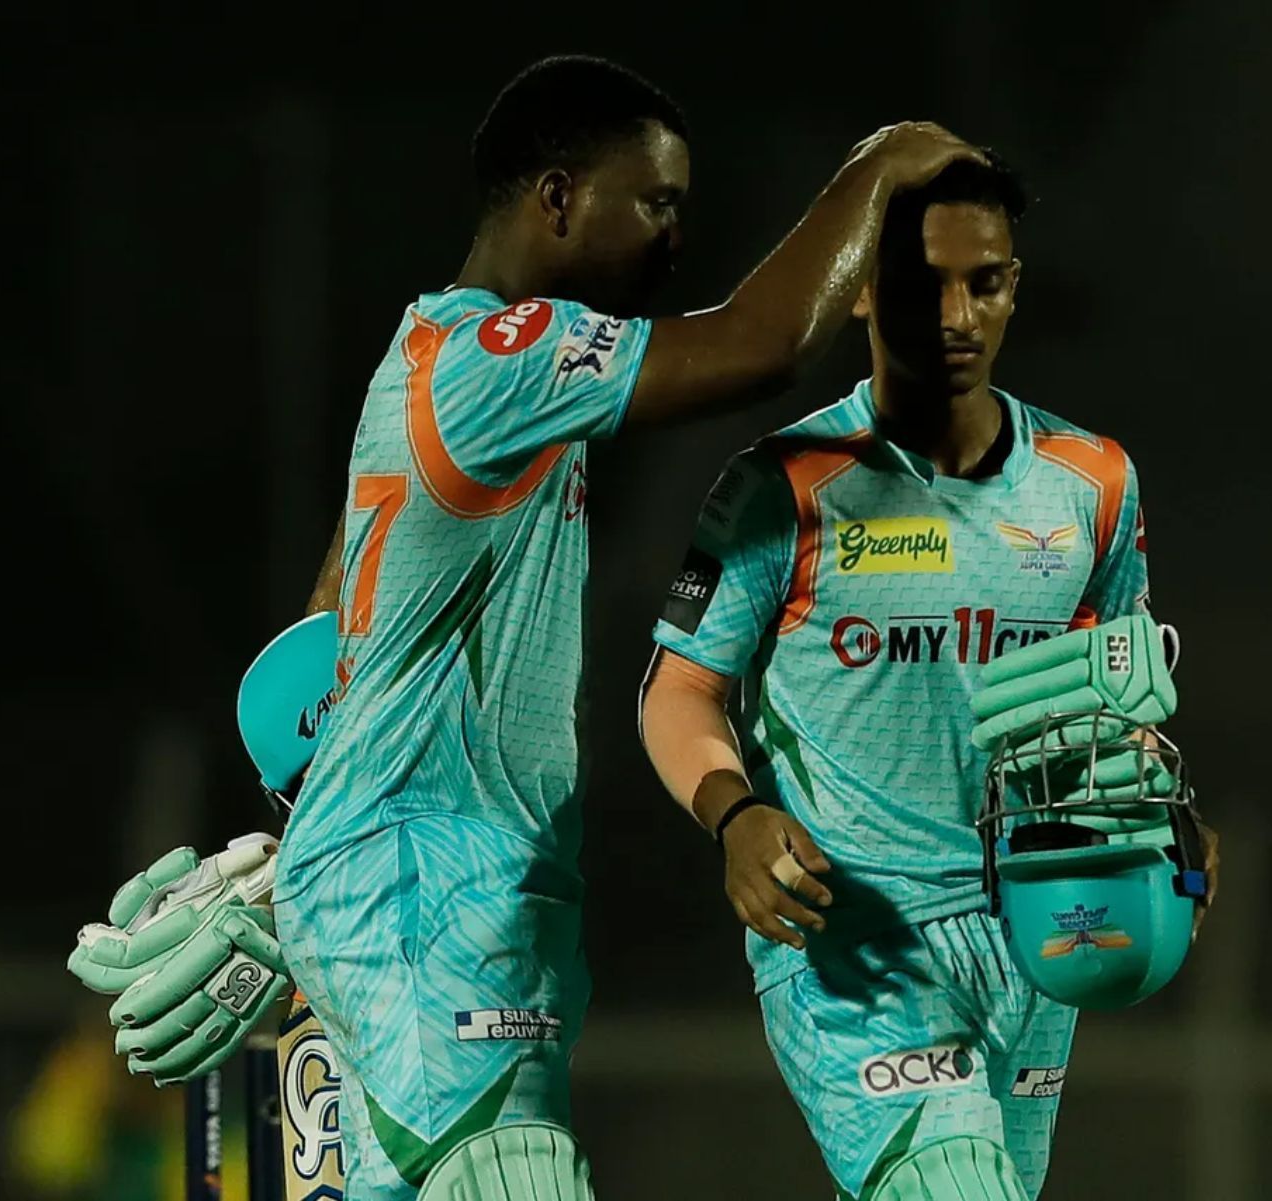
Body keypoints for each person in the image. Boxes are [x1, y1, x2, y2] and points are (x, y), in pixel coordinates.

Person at [72, 53, 985, 1201]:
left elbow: (336, 612)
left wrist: (301, 853)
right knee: (516, 1175)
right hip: (440, 905)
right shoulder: (508, 357)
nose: (673, 240)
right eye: (653, 203)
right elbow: (760, 340)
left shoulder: (429, 361)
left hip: (425, 898)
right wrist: (887, 162)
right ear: (557, 200)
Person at [639, 154, 1207, 1201]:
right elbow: (675, 689)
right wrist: (736, 816)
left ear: (1014, 285)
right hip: (853, 938)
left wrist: (1159, 820)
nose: (957, 313)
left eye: (983, 281)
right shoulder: (783, 486)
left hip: (1038, 930)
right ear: (858, 285)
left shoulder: (1094, 486)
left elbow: (1114, 694)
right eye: (921, 280)